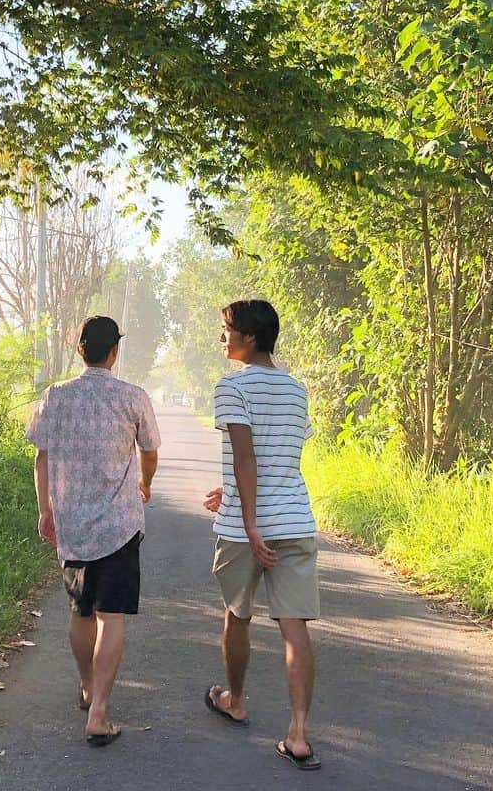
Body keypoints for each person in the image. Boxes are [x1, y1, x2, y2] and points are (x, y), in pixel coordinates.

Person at [26, 315, 160, 747]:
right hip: (120, 526)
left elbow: (41, 459)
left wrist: (45, 510)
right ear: (114, 352)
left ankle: (87, 687)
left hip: (73, 526)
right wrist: (145, 483)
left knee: (80, 613)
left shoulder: (56, 396)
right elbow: (150, 451)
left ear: (80, 351)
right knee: (111, 617)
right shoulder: (132, 397)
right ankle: (99, 712)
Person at [203, 299, 321, 771]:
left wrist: (250, 523)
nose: (222, 337)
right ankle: (298, 734)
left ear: (249, 337)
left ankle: (235, 700)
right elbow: (281, 457)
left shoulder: (232, 387)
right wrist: (228, 487)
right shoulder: (296, 390)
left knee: (237, 614)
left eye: (226, 329)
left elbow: (247, 458)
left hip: (245, 526)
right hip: (294, 519)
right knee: (295, 630)